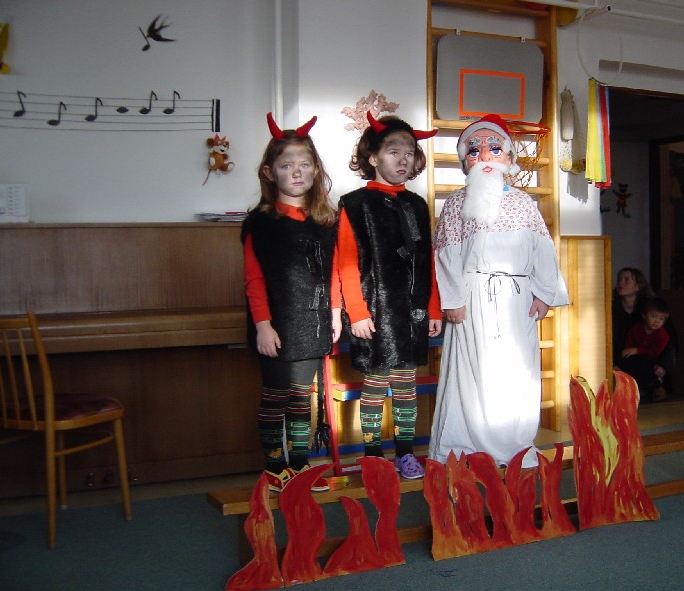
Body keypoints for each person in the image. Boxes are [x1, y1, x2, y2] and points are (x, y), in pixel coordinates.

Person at [428, 113, 569, 469]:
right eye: (474, 150)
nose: (484, 156)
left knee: (516, 370)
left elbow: (542, 249)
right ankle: (466, 447)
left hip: (517, 298)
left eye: (494, 148)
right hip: (472, 297)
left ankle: (514, 445)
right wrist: (453, 299)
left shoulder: (524, 202)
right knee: (473, 372)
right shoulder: (456, 203)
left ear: (508, 157)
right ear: (464, 161)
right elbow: (445, 253)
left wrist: (544, 293)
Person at [337, 112, 442, 480]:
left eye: (409, 153)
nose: (403, 160)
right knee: (376, 384)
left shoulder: (417, 205)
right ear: (373, 157)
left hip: (412, 312)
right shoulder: (354, 204)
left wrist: (433, 308)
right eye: (393, 152)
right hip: (374, 313)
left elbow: (427, 260)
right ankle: (372, 456)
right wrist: (357, 313)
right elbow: (346, 263)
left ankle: (405, 454)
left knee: (406, 385)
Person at [241, 113, 341, 493]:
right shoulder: (260, 223)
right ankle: (274, 467)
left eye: (304, 164)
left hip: (312, 323)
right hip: (276, 326)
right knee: (276, 398)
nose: (296, 172)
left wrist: (334, 315)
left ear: (315, 169)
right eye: (286, 165)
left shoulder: (326, 220)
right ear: (270, 173)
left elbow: (334, 272)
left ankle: (299, 465)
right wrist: (263, 326)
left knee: (302, 399)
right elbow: (254, 280)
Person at [612, 267, 677, 402]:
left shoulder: (653, 308)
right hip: (625, 356)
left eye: (627, 280)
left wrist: (664, 364)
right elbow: (611, 340)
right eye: (619, 280)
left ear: (638, 286)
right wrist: (613, 363)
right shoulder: (613, 308)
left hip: (651, 355)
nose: (621, 283)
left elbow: (669, 339)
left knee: (642, 363)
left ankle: (656, 389)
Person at [620, 297, 671, 402]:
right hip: (634, 357)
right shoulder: (636, 329)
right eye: (653, 316)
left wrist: (637, 350)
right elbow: (628, 346)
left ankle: (657, 388)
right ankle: (634, 389)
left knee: (645, 364)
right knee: (628, 362)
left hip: (652, 359)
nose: (657, 321)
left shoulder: (662, 335)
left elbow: (655, 352)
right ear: (644, 315)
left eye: (661, 319)